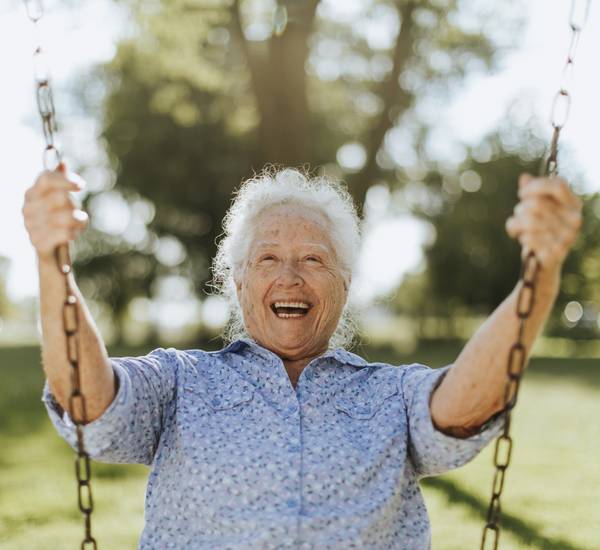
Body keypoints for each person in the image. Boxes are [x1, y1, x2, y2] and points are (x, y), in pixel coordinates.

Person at [22, 166, 581, 549]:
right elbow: (90, 399)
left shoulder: (389, 394)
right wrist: (53, 262)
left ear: (344, 282)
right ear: (237, 283)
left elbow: (463, 404)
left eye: (313, 258)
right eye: (268, 258)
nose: (289, 276)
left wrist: (541, 275)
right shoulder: (181, 383)